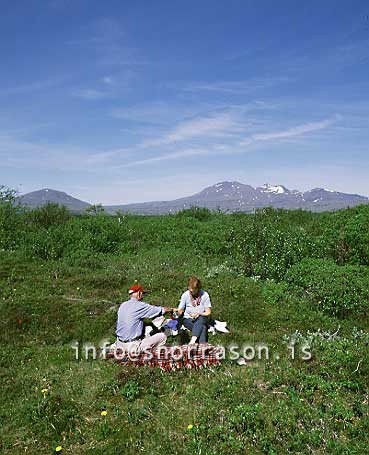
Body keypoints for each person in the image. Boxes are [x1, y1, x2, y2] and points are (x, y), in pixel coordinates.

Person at [115, 284, 174, 355]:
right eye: (143, 294)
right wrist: (171, 309)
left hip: (119, 343)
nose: (143, 296)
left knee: (145, 330)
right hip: (132, 346)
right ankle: (153, 354)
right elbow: (159, 310)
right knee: (162, 336)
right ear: (139, 293)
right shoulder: (139, 305)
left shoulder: (123, 305)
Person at [176, 276, 212, 344]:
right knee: (203, 327)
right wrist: (179, 312)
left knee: (201, 319)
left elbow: (208, 312)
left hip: (201, 317)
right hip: (189, 319)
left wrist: (199, 314)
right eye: (190, 289)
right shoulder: (185, 295)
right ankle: (203, 345)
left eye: (194, 289)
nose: (191, 291)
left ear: (198, 288)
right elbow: (180, 309)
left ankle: (192, 342)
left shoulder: (205, 295)